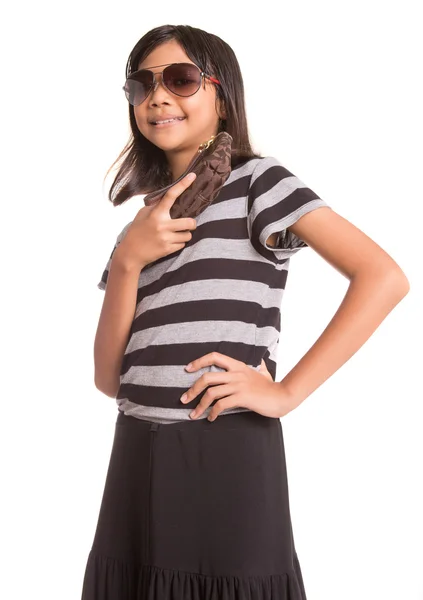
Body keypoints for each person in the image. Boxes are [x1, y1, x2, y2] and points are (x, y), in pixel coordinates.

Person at [81, 24, 410, 600]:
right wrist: (130, 260)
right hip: (136, 452)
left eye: (180, 79)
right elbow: (109, 378)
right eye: (142, 84)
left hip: (225, 450)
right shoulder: (144, 221)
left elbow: (383, 277)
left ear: (221, 94)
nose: (158, 96)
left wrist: (287, 394)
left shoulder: (259, 182)